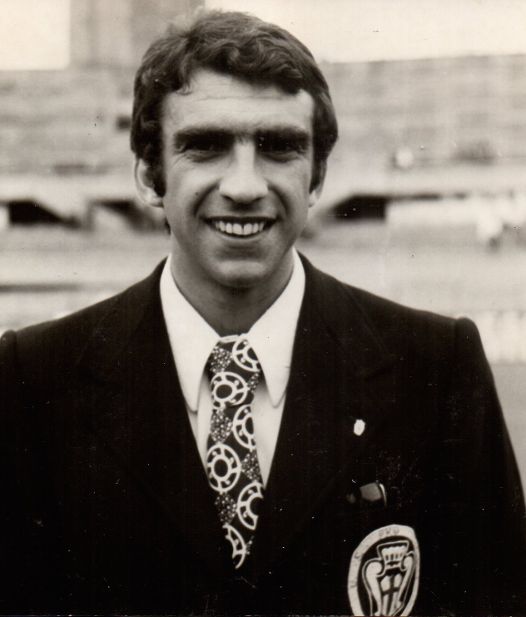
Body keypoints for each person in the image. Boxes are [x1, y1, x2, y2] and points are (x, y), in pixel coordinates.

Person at [0, 10, 524, 616]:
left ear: (316, 176)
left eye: (279, 147)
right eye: (206, 146)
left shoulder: (436, 368)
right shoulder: (32, 380)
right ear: (149, 175)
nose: (245, 185)